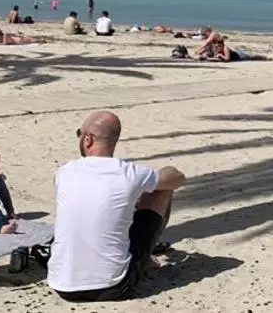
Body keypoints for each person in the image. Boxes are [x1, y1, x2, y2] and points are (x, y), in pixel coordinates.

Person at [48, 111, 187, 302]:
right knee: (162, 189)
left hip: (61, 285)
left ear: (88, 139)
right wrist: (165, 171)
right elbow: (177, 179)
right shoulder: (130, 174)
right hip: (112, 286)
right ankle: (144, 258)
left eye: (79, 133)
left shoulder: (64, 172)